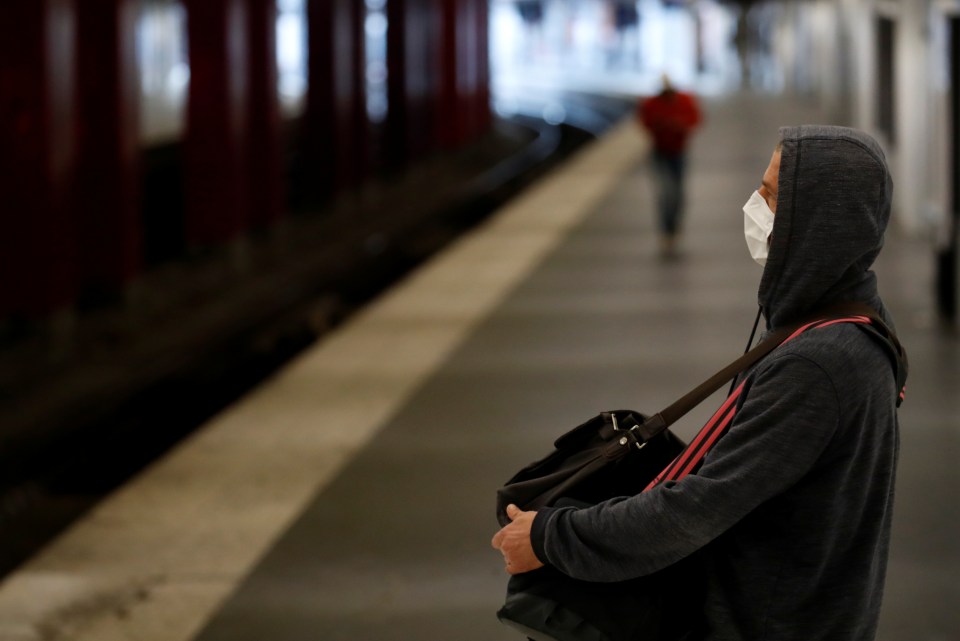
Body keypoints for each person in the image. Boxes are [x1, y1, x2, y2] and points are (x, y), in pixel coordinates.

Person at [492, 125, 905, 641]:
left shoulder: (817, 364)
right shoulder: (853, 320)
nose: (755, 205)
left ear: (816, 221)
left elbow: (696, 509)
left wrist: (551, 537)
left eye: (773, 195)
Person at [637, 75, 702, 258]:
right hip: (659, 152)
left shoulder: (684, 101)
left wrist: (679, 125)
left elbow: (695, 120)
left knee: (678, 192)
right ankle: (666, 229)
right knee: (666, 192)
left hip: (678, 153)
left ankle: (674, 226)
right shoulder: (651, 103)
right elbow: (644, 121)